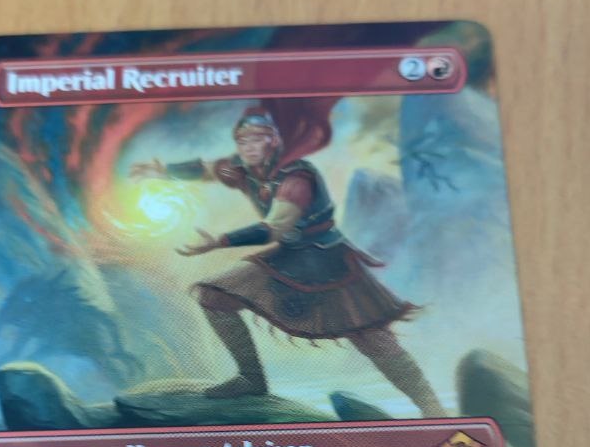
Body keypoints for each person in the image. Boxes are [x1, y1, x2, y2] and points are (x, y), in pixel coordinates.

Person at [131, 107, 444, 416]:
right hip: (290, 255)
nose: (248, 147)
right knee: (214, 296)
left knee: (373, 339)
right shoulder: (243, 168)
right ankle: (251, 379)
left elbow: (276, 226)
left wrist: (220, 241)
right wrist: (164, 171)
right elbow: (208, 168)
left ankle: (432, 408)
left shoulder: (296, 177)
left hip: (328, 260)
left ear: (273, 142)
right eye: (242, 141)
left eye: (256, 139)